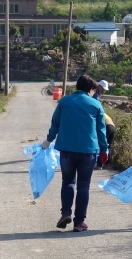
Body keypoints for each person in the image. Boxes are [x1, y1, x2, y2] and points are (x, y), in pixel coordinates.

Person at [41, 75, 108, 232]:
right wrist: (104, 149)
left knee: (68, 182)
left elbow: (55, 123)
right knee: (83, 186)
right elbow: (101, 130)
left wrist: (48, 140)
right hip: (88, 150)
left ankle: (65, 213)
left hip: (66, 149)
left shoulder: (64, 101)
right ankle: (79, 222)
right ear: (91, 89)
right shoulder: (95, 104)